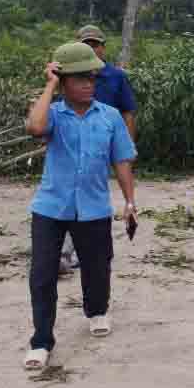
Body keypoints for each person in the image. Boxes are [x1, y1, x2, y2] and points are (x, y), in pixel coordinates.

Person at [23, 41, 137, 370]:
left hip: (94, 207)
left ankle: (97, 310)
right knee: (42, 274)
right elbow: (34, 127)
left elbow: (123, 160)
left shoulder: (110, 117)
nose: (89, 84)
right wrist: (49, 85)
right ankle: (41, 341)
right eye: (80, 79)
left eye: (92, 78)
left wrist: (130, 201)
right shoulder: (54, 114)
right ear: (64, 81)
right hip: (50, 207)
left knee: (97, 266)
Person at [57, 25, 138, 277]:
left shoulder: (116, 77)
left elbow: (127, 112)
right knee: (70, 195)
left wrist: (126, 147)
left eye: (95, 44)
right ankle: (65, 253)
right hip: (73, 147)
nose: (91, 48)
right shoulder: (66, 77)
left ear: (103, 47)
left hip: (103, 147)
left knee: (94, 198)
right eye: (86, 44)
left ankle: (87, 252)